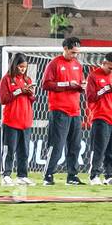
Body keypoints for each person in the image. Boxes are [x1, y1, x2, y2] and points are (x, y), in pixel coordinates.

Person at [41, 36, 84, 186]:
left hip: (75, 111)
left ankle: (72, 176)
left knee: (75, 146)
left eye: (77, 52)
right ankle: (48, 175)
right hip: (59, 110)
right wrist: (67, 84)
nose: (75, 55)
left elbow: (79, 84)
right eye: (73, 52)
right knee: (56, 145)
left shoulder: (78, 65)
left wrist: (81, 86)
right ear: (65, 49)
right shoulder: (54, 64)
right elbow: (45, 84)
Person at [86, 52, 112, 185]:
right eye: (110, 68)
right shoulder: (93, 76)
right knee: (99, 148)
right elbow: (91, 97)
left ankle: (109, 176)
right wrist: (106, 88)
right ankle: (94, 176)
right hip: (100, 116)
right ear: (104, 63)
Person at [0, 52, 35, 186]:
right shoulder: (6, 79)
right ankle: (6, 175)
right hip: (11, 120)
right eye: (20, 67)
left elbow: (31, 99)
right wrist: (20, 91)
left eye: (24, 67)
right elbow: (3, 99)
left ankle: (22, 176)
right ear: (14, 65)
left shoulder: (28, 80)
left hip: (25, 121)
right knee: (9, 150)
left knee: (24, 151)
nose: (22, 69)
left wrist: (30, 93)